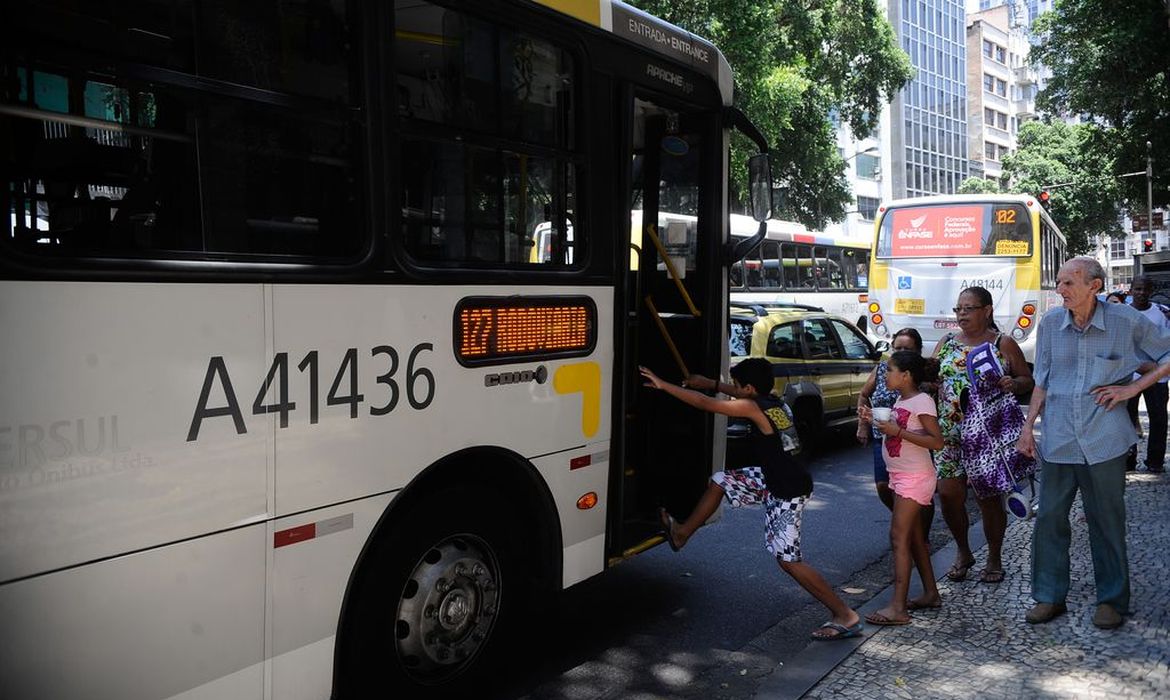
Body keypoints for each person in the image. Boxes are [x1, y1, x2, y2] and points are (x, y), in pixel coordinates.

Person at [642, 359, 862, 641]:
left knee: (788, 560)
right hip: (776, 476)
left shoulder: (753, 405)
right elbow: (739, 394)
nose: (732, 390)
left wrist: (663, 385)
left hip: (786, 489)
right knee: (721, 481)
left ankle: (845, 615)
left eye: (735, 386)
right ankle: (682, 533)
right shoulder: (775, 401)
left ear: (748, 388)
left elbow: (704, 404)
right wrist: (711, 383)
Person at [1018, 257, 1170, 629]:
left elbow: (1166, 354)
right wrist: (1027, 428)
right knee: (1050, 519)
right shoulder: (1052, 323)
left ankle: (1112, 601)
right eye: (1059, 282)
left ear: (1095, 286)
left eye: (1069, 283)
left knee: (1106, 521)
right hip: (1058, 439)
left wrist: (1132, 388)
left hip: (1104, 440)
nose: (1060, 290)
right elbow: (1042, 381)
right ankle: (1049, 596)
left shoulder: (1125, 321)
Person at [931, 286, 1034, 584]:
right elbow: (933, 376)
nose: (961, 314)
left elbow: (1027, 379)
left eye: (968, 308)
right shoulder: (947, 342)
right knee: (949, 495)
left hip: (989, 436)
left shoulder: (1003, 343)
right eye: (958, 309)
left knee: (988, 499)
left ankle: (994, 556)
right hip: (950, 434)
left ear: (987, 310)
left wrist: (1013, 384)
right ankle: (963, 551)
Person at [858, 351, 944, 625]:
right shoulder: (901, 399)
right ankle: (931, 593)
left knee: (898, 538)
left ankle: (898, 608)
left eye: (890, 370)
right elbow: (902, 428)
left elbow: (936, 441)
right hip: (901, 476)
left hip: (914, 479)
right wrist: (874, 418)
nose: (885, 375)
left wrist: (897, 432)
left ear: (905, 375)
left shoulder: (923, 401)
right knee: (915, 538)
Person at [856, 329, 936, 530]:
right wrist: (863, 425)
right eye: (897, 348)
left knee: (920, 493)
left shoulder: (924, 374)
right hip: (884, 438)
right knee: (884, 486)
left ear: (918, 351)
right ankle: (906, 520)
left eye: (907, 349)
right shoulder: (884, 369)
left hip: (915, 442)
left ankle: (920, 533)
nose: (900, 352)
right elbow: (864, 395)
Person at [1126, 276, 1170, 473]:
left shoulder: (1162, 313)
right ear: (1131, 290)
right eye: (1137, 289)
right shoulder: (1122, 314)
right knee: (1126, 420)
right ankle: (1128, 461)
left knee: (1159, 419)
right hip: (1129, 377)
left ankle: (1155, 461)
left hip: (1157, 377)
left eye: (1145, 289)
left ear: (1151, 291)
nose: (1141, 293)